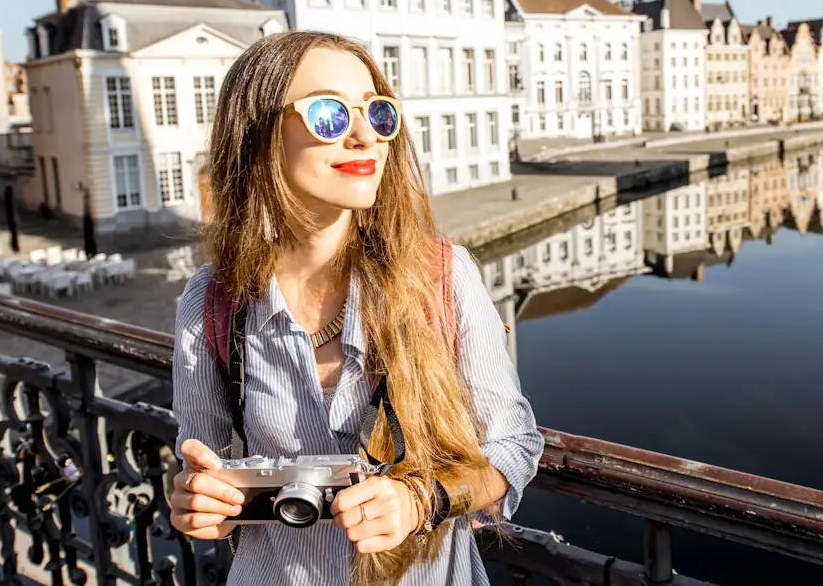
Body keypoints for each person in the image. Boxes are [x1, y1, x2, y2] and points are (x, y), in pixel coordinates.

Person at [169, 31, 543, 586]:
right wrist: (202, 505)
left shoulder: (439, 276)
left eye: (378, 113)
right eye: (329, 115)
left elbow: (513, 448)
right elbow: (206, 467)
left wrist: (421, 500)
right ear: (258, 134)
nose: (366, 135)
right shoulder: (211, 303)